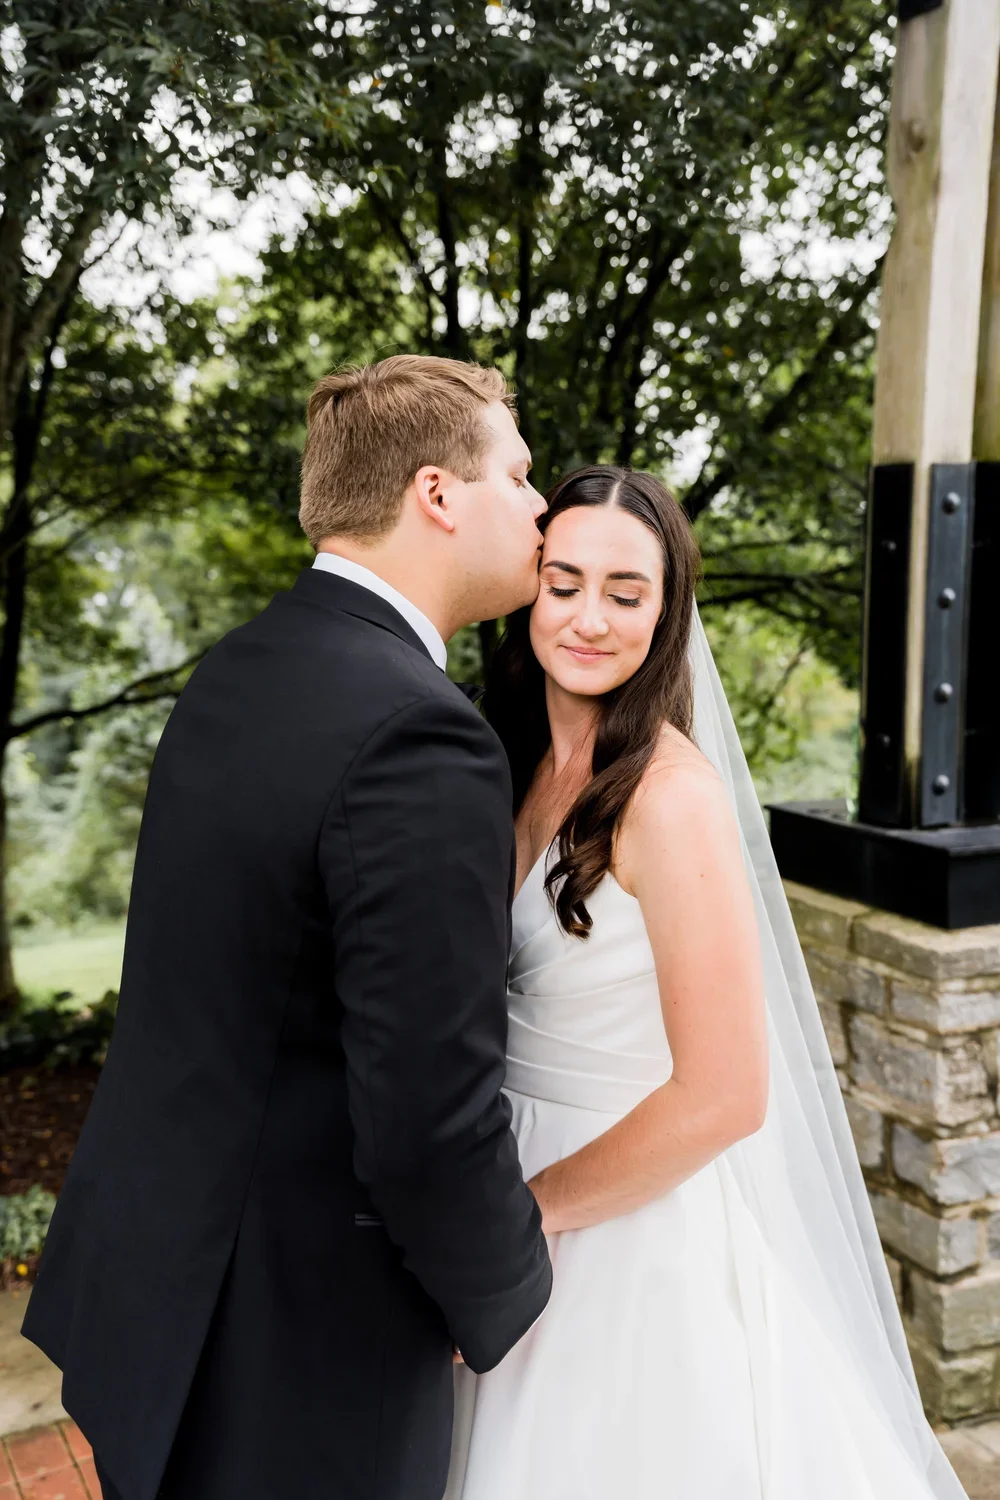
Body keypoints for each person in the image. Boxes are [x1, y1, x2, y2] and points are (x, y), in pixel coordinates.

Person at [22, 356, 553, 1500]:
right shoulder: (422, 734)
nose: (540, 505)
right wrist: (500, 1290)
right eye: (518, 473)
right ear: (438, 495)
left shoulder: (240, 668)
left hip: (153, 1291)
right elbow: (425, 1110)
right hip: (292, 1349)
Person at [445, 465, 969, 1500]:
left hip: (618, 1223)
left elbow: (726, 1092)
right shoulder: (506, 760)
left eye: (625, 593)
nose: (587, 617)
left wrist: (525, 1216)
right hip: (503, 1175)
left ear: (666, 612)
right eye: (565, 583)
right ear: (529, 588)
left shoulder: (671, 798)